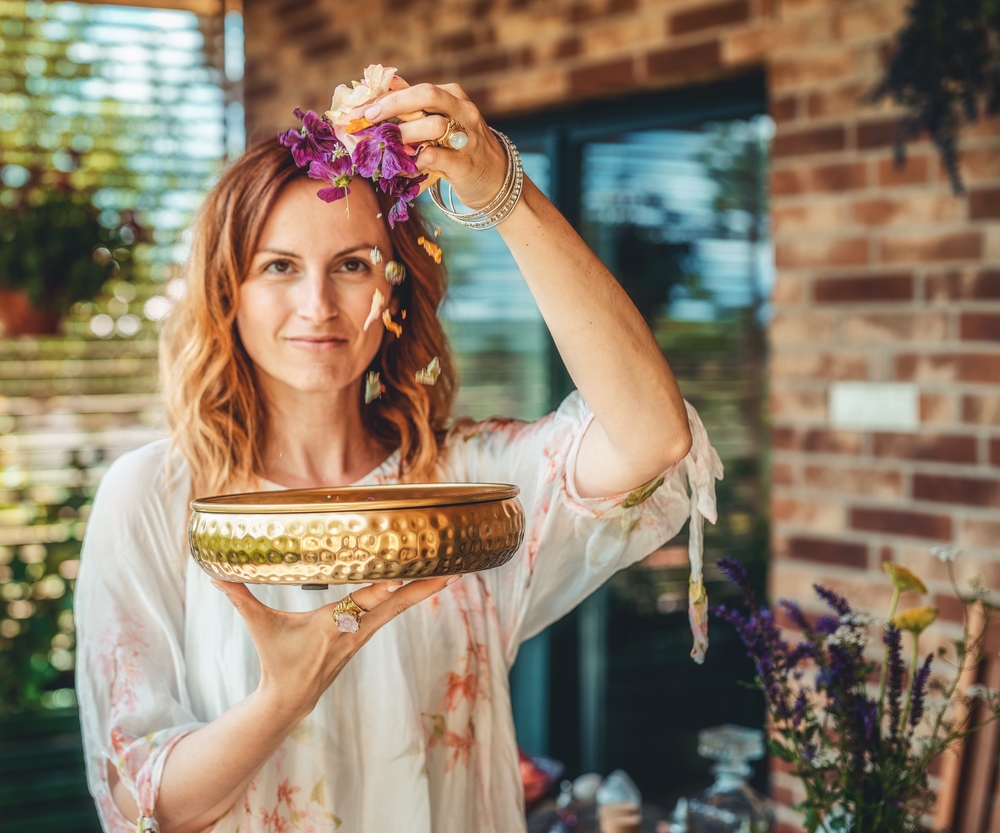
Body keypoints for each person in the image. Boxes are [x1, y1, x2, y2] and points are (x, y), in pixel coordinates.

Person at [75, 80, 722, 833]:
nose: (318, 304)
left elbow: (654, 438)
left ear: (396, 291)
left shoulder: (467, 489)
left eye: (352, 264)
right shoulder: (155, 496)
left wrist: (501, 191)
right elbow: (142, 804)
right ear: (231, 292)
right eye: (279, 266)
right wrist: (285, 692)